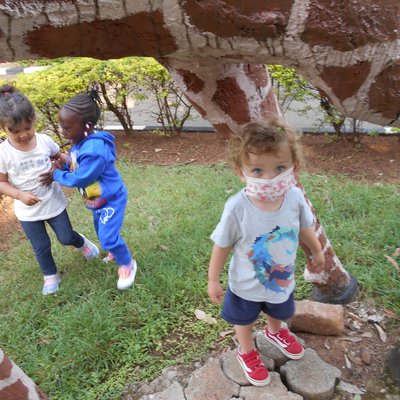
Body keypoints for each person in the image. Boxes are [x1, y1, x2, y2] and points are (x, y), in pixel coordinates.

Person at [208, 115, 324, 386]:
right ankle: (246, 351)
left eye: (279, 167)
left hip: (279, 280)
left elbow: (305, 226)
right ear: (241, 171)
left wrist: (317, 251)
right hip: (246, 285)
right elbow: (222, 244)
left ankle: (274, 333)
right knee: (244, 318)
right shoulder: (237, 207)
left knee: (278, 311)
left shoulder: (294, 197)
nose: (270, 178)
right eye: (258, 171)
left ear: (293, 167)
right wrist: (214, 279)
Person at [0, 83, 99, 295]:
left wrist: (74, 168)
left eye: (27, 128)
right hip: (27, 211)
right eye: (14, 131)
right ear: (3, 127)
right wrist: (19, 195)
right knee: (41, 246)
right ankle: (50, 275)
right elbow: (1, 182)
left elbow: (59, 156)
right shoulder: (4, 153)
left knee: (65, 237)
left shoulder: (44, 140)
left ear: (33, 121)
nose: (23, 135)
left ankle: (82, 243)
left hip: (53, 202)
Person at [40, 91, 137, 290]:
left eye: (67, 127)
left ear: (87, 126)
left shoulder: (94, 150)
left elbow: (82, 177)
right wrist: (63, 165)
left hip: (111, 201)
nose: (63, 131)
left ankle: (127, 264)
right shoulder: (79, 145)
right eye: (61, 127)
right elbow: (76, 167)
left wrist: (57, 175)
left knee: (109, 236)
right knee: (102, 232)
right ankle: (113, 251)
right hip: (96, 199)